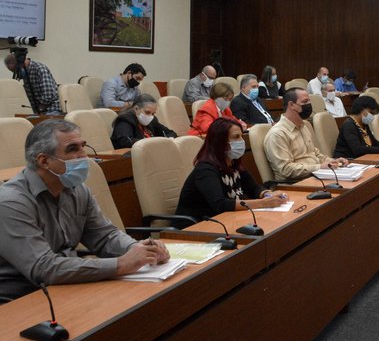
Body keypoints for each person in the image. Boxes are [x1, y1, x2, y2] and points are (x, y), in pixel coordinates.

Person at [0, 120, 169, 301]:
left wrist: (140, 250)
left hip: (65, 287)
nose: (84, 156)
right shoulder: (11, 202)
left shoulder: (77, 189)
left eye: (83, 146)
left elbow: (104, 236)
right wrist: (120, 264)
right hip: (20, 299)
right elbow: (43, 268)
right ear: (44, 161)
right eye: (73, 149)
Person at [175, 118, 289, 225]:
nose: (241, 141)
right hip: (195, 228)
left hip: (225, 221)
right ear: (220, 142)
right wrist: (263, 203)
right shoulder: (205, 169)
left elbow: (253, 188)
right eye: (236, 137)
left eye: (241, 136)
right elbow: (220, 204)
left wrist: (268, 195)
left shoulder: (233, 163)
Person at [264, 88, 347, 182]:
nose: (309, 105)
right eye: (305, 102)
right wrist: (319, 167)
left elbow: (315, 154)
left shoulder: (303, 126)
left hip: (315, 176)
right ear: (291, 105)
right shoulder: (277, 134)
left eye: (309, 101)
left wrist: (331, 161)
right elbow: (286, 170)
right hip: (295, 184)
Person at [111, 94, 177, 149]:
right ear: (136, 109)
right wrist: (153, 142)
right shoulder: (125, 120)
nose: (150, 116)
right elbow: (125, 142)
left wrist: (169, 139)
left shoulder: (152, 119)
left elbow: (170, 133)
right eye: (147, 112)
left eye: (153, 113)